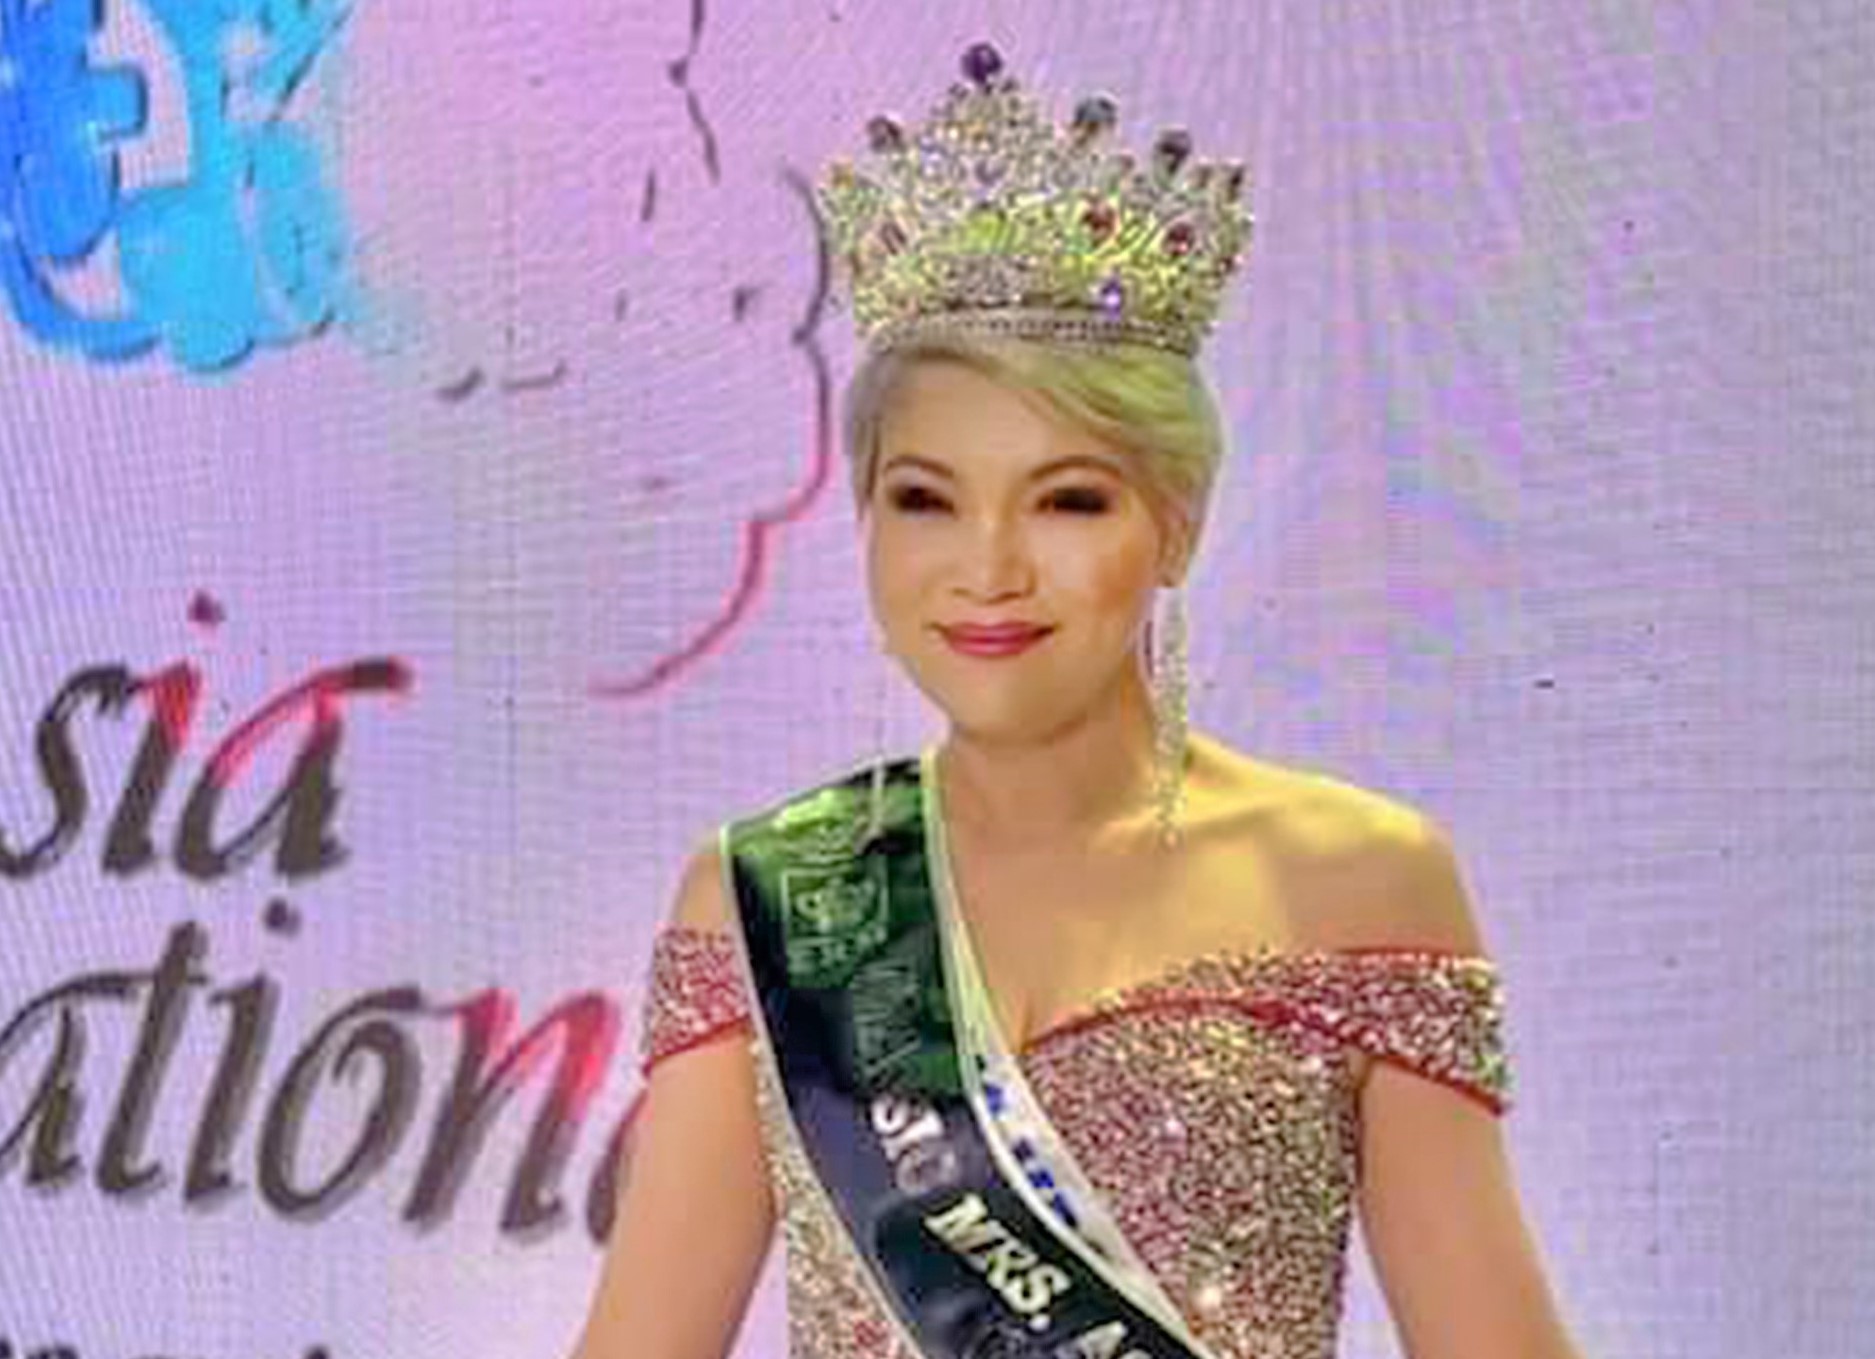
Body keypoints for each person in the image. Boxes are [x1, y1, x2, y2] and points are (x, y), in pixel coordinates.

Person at [571, 39, 1586, 1359]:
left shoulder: (1358, 879)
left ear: (1178, 525)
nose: (988, 567)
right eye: (926, 500)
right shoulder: (774, 894)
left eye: (1067, 501)